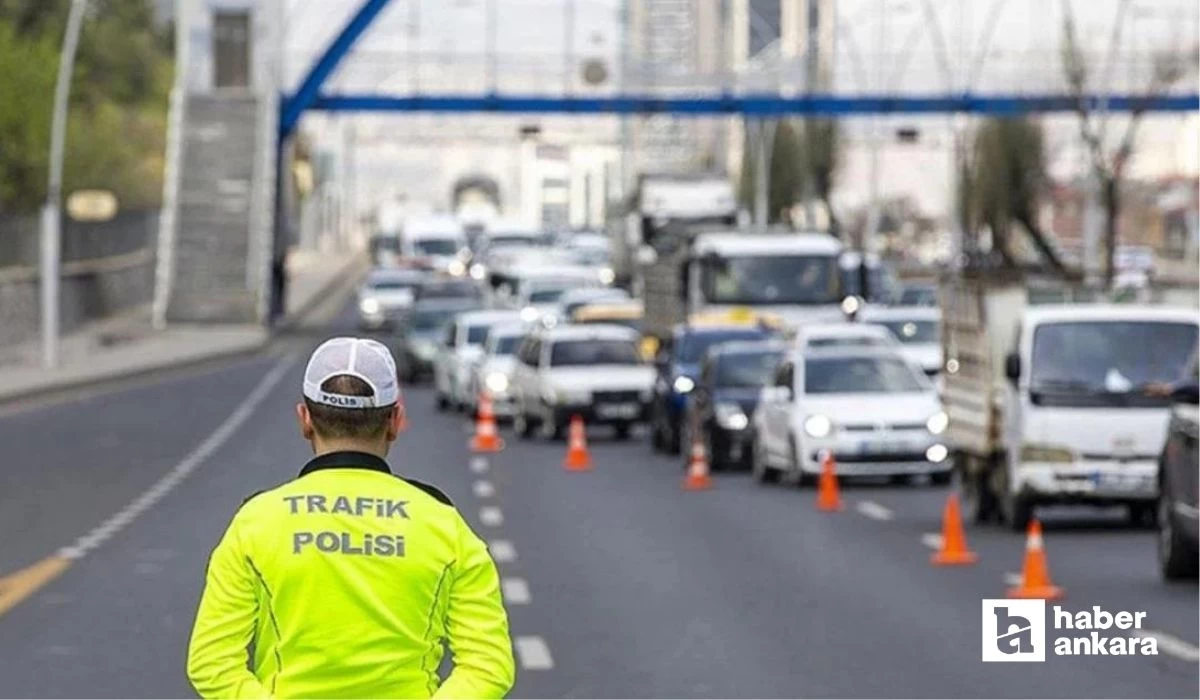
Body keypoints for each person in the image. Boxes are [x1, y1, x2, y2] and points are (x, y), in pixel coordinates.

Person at [187, 338, 515, 699]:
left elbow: (211, 663)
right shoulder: (444, 524)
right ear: (395, 421)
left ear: (305, 419)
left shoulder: (256, 522)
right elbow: (488, 665)